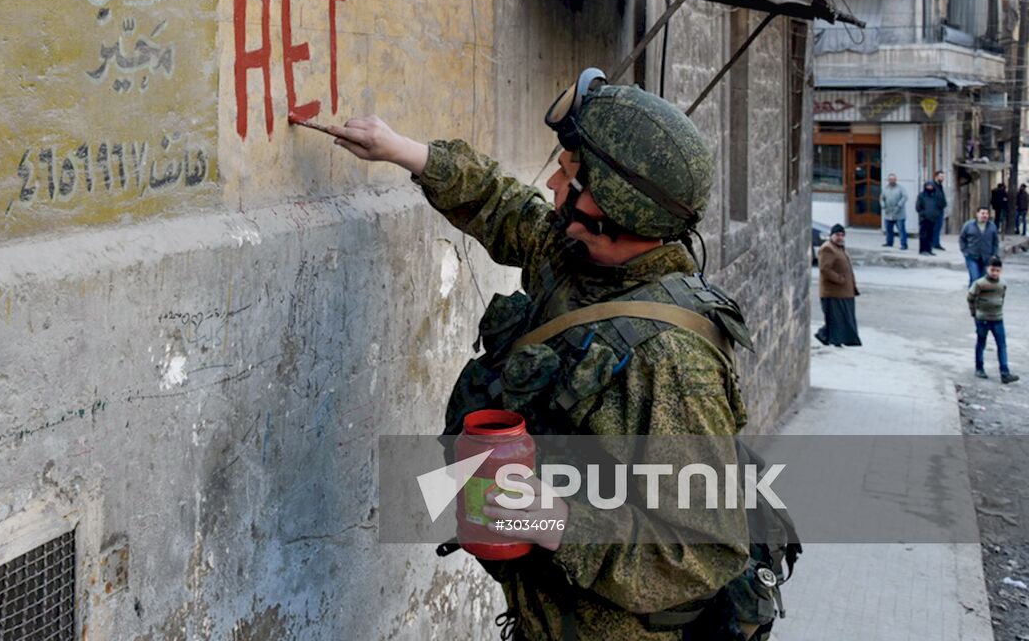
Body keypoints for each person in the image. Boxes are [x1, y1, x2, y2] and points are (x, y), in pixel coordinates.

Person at [329, 74, 774, 640]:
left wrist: (553, 519)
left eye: (569, 175)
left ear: (609, 208)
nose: (552, 184)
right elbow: (504, 206)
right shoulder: (584, 261)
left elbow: (705, 552)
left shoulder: (671, 362)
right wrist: (406, 153)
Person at [968, 256, 1019, 384]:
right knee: (981, 343)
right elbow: (970, 297)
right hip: (983, 319)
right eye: (992, 270)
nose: (995, 273)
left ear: (1001, 271)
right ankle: (979, 368)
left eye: (997, 270)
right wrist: (974, 313)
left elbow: (1002, 298)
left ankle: (1004, 372)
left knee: (1002, 345)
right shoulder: (980, 284)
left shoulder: (1002, 284)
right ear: (987, 269)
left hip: (998, 319)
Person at [815, 225, 861, 347]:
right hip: (834, 291)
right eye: (837, 235)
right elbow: (825, 269)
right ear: (831, 236)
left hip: (844, 291)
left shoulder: (840, 248)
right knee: (837, 318)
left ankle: (829, 337)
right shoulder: (827, 249)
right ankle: (830, 338)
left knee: (843, 317)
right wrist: (840, 279)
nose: (840, 237)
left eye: (842, 235)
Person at [960, 207, 999, 285]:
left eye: (986, 213)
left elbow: (995, 242)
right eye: (982, 213)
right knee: (975, 277)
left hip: (987, 258)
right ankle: (973, 295)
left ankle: (975, 295)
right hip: (972, 256)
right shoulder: (969, 225)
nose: (984, 215)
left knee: (983, 279)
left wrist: (994, 255)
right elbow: (962, 239)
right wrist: (965, 251)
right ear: (977, 214)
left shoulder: (992, 227)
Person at [880, 174, 908, 250]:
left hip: (899, 213)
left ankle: (904, 245)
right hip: (888, 213)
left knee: (901, 230)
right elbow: (881, 198)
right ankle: (889, 243)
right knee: (888, 230)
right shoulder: (885, 188)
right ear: (888, 180)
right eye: (890, 179)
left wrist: (899, 205)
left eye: (893, 179)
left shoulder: (900, 188)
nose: (892, 181)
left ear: (896, 180)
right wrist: (883, 205)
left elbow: (905, 197)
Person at [914, 181, 942, 256]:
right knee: (923, 235)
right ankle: (922, 250)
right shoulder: (921, 195)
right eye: (928, 186)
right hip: (924, 219)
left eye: (931, 186)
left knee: (930, 235)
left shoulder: (935, 196)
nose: (930, 187)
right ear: (925, 187)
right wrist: (924, 214)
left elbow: (939, 206)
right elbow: (918, 207)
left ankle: (929, 250)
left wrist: (936, 214)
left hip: (933, 219)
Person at [932, 170, 948, 250]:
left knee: (938, 228)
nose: (942, 178)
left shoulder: (939, 186)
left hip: (940, 210)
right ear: (936, 176)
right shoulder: (933, 185)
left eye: (943, 177)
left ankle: (936, 243)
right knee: (934, 227)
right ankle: (933, 243)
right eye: (941, 176)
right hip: (934, 211)